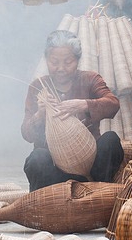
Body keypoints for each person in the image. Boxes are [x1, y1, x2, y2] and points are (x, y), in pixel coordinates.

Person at [22, 30, 124, 191]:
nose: (60, 68)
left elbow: (113, 104)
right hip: (54, 169)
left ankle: (96, 190)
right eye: (54, 62)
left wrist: (83, 104)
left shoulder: (90, 79)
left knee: (111, 140)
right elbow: (26, 134)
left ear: (77, 60)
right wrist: (40, 114)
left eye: (68, 62)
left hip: (90, 165)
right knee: (37, 159)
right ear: (46, 59)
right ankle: (67, 189)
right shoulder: (38, 86)